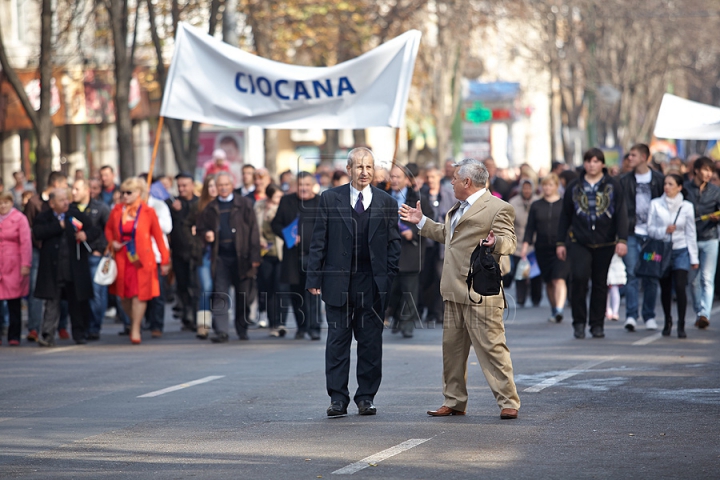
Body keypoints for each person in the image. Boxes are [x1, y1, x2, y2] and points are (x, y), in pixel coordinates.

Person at [399, 158, 520, 420]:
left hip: (481, 292)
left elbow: (510, 242)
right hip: (453, 289)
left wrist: (495, 241)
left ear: (467, 181)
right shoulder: (458, 207)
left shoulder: (499, 207)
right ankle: (454, 400)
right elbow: (449, 236)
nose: (451, 182)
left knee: (492, 348)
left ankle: (508, 401)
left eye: (455, 178)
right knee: (452, 352)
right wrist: (422, 222)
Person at [307, 147, 401, 417]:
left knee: (371, 343)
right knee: (337, 342)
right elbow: (318, 242)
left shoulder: (386, 202)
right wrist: (314, 277)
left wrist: (388, 274)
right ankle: (337, 399)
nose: (364, 172)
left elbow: (394, 244)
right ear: (348, 170)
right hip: (338, 285)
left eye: (369, 167)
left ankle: (366, 397)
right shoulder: (329, 199)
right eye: (359, 167)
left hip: (372, 285)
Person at [557, 148, 628, 339]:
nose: (592, 165)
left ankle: (597, 324)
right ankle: (579, 322)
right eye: (589, 161)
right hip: (579, 241)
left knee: (600, 283)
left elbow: (621, 213)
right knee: (579, 279)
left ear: (602, 164)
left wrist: (622, 239)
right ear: (584, 163)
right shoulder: (574, 186)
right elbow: (565, 215)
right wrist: (560, 242)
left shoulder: (613, 186)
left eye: (596, 161)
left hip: (605, 242)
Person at [196, 172, 261, 343]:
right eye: (220, 185)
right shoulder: (211, 208)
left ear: (232, 185)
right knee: (220, 294)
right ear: (215, 188)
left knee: (243, 295)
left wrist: (255, 256)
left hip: (242, 256)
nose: (223, 188)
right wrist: (206, 235)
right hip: (220, 257)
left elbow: (254, 231)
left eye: (226, 184)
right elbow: (200, 228)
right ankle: (222, 331)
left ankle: (242, 328)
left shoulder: (244, 204)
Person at [106, 178, 170, 344]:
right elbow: (109, 230)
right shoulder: (117, 211)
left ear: (139, 194)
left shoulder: (148, 212)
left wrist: (164, 259)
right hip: (122, 257)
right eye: (123, 193)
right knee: (123, 296)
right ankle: (136, 319)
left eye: (129, 193)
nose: (125, 196)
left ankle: (135, 328)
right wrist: (112, 242)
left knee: (139, 294)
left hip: (142, 259)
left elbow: (158, 237)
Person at [34, 189, 98, 346]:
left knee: (76, 301)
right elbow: (38, 233)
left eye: (66, 199)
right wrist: (59, 226)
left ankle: (79, 333)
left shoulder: (75, 214)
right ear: (52, 203)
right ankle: (48, 334)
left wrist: (86, 235)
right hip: (52, 268)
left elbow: (94, 229)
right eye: (61, 200)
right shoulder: (44, 217)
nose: (65, 203)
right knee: (52, 302)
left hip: (73, 266)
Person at [619, 144, 665, 332]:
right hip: (631, 234)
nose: (630, 158)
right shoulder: (624, 180)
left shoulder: (659, 180)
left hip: (652, 237)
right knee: (631, 274)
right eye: (629, 155)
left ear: (644, 157)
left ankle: (649, 316)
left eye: (634, 155)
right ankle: (631, 315)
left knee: (651, 276)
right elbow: (620, 210)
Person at [272, 172, 323, 340]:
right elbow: (276, 224)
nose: (304, 188)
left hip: (314, 256)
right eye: (301, 185)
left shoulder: (320, 202)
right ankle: (302, 327)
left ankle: (314, 328)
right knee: (297, 294)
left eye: (307, 185)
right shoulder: (287, 201)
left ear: (313, 186)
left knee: (314, 293)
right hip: (293, 257)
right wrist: (288, 236)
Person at [648, 173, 698, 338]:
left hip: (681, 249)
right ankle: (667, 320)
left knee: (680, 286)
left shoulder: (687, 207)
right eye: (665, 184)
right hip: (662, 250)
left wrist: (694, 257)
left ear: (679, 187)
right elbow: (650, 229)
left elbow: (691, 232)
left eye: (670, 184)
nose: (667, 187)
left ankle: (681, 323)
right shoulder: (655, 204)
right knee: (665, 287)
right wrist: (664, 230)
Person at [24, 171, 69, 342]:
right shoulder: (36, 205)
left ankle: (71, 328)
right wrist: (59, 227)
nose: (66, 201)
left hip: (67, 259)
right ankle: (39, 330)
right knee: (46, 295)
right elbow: (33, 230)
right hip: (43, 256)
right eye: (65, 185)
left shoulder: (71, 213)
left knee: (66, 297)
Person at [387, 165, 430, 338]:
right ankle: (395, 317)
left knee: (409, 290)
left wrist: (412, 232)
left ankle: (407, 324)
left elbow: (429, 223)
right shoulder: (383, 197)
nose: (395, 180)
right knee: (393, 290)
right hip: (389, 250)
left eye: (398, 177)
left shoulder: (418, 198)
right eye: (392, 177)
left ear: (407, 179)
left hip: (410, 251)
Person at [521, 174, 570, 323]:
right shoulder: (536, 205)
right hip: (542, 248)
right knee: (549, 281)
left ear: (556, 186)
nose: (547, 188)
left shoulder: (564, 204)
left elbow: (570, 225)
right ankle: (555, 309)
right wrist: (524, 246)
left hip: (561, 247)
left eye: (550, 185)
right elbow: (530, 228)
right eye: (545, 185)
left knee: (559, 279)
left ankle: (560, 309)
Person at [71, 179, 110, 340]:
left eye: (77, 189)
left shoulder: (101, 208)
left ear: (86, 191)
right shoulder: (71, 209)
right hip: (77, 257)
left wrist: (100, 250)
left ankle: (94, 327)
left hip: (95, 255)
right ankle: (83, 326)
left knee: (96, 294)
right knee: (80, 294)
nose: (73, 192)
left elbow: (108, 231)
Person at [684, 156, 720, 330]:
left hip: (710, 237)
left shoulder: (715, 191)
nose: (708, 174)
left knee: (707, 278)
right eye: (705, 170)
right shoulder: (685, 189)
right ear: (696, 170)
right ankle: (699, 311)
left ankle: (704, 312)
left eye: (711, 171)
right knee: (693, 280)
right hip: (690, 239)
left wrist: (716, 218)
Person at [419, 165, 456, 325]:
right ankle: (426, 310)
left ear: (439, 178)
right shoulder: (422, 194)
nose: (431, 180)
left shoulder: (448, 194)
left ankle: (439, 311)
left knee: (441, 277)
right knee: (426, 277)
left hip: (443, 242)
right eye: (428, 177)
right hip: (426, 243)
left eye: (433, 177)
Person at [140, 175, 173, 337]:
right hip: (138, 257)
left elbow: (167, 227)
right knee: (141, 292)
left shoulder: (159, 206)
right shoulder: (132, 208)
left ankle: (157, 325)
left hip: (156, 256)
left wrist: (150, 222)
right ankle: (142, 320)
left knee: (158, 292)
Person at [0, 193, 32, 346]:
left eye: (6, 202)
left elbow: (25, 242)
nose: (3, 206)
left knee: (14, 302)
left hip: (14, 263)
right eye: (0, 203)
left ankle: (14, 335)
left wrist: (26, 264)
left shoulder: (20, 218)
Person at [168, 172, 198, 331]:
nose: (182, 189)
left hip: (195, 251)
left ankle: (196, 315)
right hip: (178, 251)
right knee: (182, 284)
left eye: (185, 185)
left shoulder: (199, 203)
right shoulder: (172, 204)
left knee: (196, 284)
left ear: (192, 185)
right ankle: (186, 315)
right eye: (179, 186)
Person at [255, 184, 285, 337]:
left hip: (280, 253)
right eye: (277, 196)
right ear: (269, 196)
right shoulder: (258, 207)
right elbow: (255, 227)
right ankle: (272, 322)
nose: (280, 199)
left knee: (279, 288)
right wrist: (259, 240)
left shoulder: (283, 208)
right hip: (264, 253)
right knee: (267, 289)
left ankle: (280, 322)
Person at [508, 179, 542, 308]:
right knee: (520, 272)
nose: (526, 191)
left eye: (529, 188)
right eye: (524, 188)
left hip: (535, 243)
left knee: (535, 273)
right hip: (519, 242)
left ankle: (536, 297)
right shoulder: (513, 203)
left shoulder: (538, 201)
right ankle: (521, 297)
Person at [192, 175, 217, 339]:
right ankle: (203, 323)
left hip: (221, 253)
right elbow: (191, 228)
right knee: (206, 287)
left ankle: (219, 322)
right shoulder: (199, 207)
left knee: (219, 288)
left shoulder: (227, 205)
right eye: (211, 186)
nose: (215, 189)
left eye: (218, 185)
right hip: (205, 252)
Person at [606, 254, 627, 322]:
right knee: (606, 290)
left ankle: (615, 311)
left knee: (614, 288)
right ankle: (608, 309)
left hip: (615, 262)